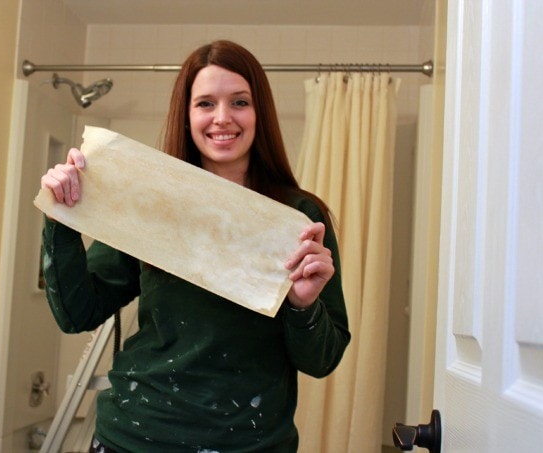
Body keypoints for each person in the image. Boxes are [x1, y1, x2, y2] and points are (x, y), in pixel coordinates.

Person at [40, 40, 350, 452]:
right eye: (205, 104)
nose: (222, 118)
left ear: (260, 114)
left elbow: (321, 361)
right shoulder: (153, 200)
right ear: (186, 116)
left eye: (239, 101)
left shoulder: (297, 219)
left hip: (250, 444)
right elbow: (76, 312)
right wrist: (60, 220)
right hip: (133, 438)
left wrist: (302, 306)